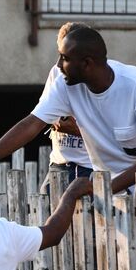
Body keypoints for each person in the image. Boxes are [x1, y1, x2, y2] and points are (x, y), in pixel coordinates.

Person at [0, 24, 136, 196]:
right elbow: (32, 124)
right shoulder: (65, 83)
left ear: (87, 63)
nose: (59, 65)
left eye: (65, 58)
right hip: (107, 177)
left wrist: (105, 189)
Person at [39, 22, 94, 194]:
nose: (60, 62)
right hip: (59, 164)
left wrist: (78, 129)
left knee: (86, 218)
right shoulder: (56, 72)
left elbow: (108, 130)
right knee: (44, 204)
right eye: (60, 54)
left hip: (89, 167)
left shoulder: (99, 77)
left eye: (67, 56)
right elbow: (43, 112)